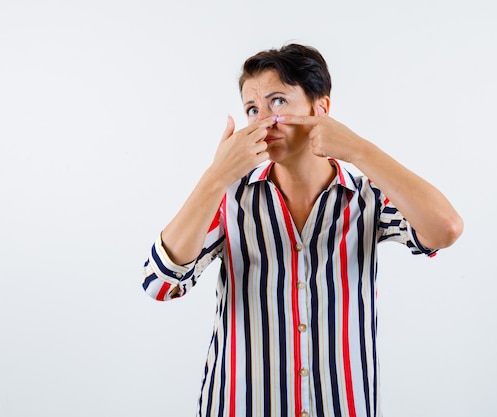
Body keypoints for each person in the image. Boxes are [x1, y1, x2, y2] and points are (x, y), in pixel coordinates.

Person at [142, 44, 463, 417]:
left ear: (320, 109)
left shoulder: (368, 199)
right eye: (252, 109)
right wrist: (216, 176)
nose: (262, 121)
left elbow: (445, 228)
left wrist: (358, 149)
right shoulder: (231, 199)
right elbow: (159, 284)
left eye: (277, 101)